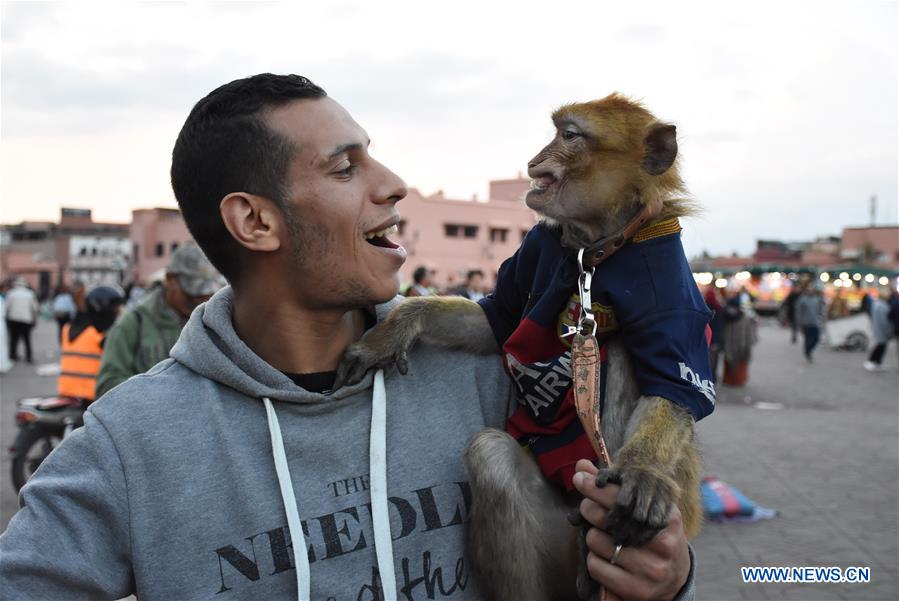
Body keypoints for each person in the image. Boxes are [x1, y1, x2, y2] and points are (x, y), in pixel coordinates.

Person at [0, 74, 694, 601]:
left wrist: (665, 572)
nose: (394, 185)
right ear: (255, 221)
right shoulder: (130, 444)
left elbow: (633, 484)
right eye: (345, 167)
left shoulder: (489, 380)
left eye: (376, 159)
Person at [95, 243, 224, 398]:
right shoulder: (134, 323)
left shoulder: (213, 321)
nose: (199, 300)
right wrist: (160, 396)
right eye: (191, 293)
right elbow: (107, 386)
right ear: (169, 279)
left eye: (205, 293)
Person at [57, 286, 125, 402]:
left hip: (66, 393)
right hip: (92, 397)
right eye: (115, 312)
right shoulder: (100, 335)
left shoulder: (67, 329)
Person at [722, 288, 757, 385]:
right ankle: (738, 380)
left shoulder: (726, 315)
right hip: (741, 346)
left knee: (729, 360)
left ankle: (729, 380)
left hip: (729, 345)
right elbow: (748, 335)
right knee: (741, 362)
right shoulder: (744, 317)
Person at [4, 277, 39, 364]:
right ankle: (29, 357)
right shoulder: (29, 294)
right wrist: (34, 319)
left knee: (13, 339)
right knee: (27, 339)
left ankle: (13, 356)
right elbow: (35, 308)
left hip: (14, 319)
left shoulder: (11, 293)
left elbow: (6, 307)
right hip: (26, 319)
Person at [864, 287, 893, 371]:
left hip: (878, 327)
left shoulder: (877, 304)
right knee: (880, 346)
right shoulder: (882, 305)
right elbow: (884, 320)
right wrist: (888, 330)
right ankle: (871, 361)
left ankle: (877, 362)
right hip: (881, 329)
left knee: (881, 346)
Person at [795, 285, 825, 363]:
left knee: (816, 338)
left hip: (815, 323)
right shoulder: (802, 300)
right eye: (809, 290)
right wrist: (799, 322)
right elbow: (798, 311)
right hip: (806, 323)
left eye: (812, 290)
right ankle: (807, 352)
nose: (810, 291)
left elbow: (821, 309)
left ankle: (809, 350)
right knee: (808, 339)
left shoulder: (817, 299)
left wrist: (821, 317)